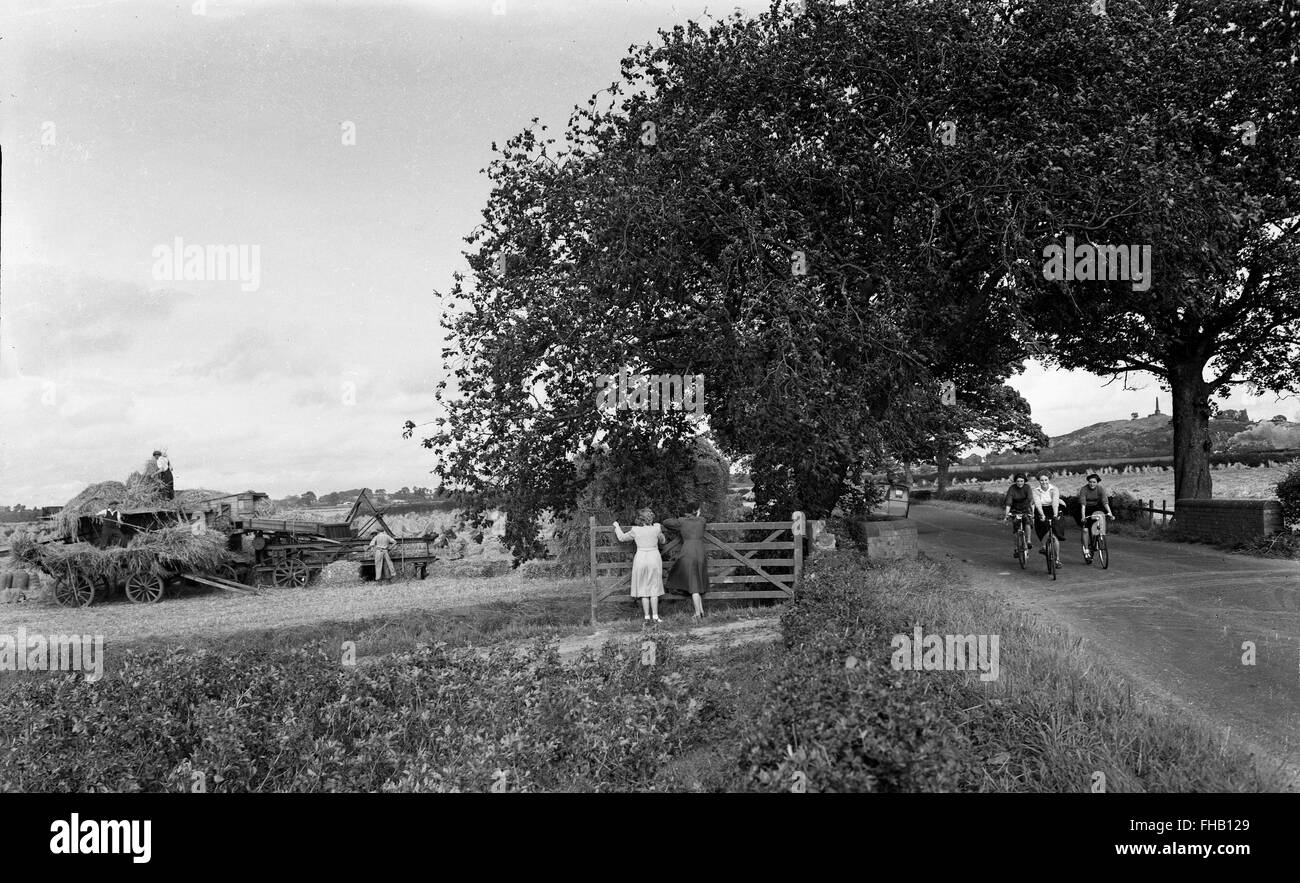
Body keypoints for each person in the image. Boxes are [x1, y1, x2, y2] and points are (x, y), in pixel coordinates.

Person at [612, 508, 666, 626]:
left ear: (639, 519)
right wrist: (659, 530)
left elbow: (622, 538)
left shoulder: (635, 530)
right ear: (650, 518)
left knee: (644, 589)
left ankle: (647, 617)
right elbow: (663, 541)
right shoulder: (656, 528)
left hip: (641, 557)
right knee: (654, 588)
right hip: (653, 557)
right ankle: (656, 616)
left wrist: (617, 526)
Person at [663, 500, 709, 620]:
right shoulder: (702, 521)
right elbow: (699, 521)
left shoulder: (682, 521)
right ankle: (701, 611)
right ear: (696, 511)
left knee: (693, 584)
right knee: (697, 581)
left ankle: (698, 613)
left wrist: (681, 518)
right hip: (700, 551)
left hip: (688, 552)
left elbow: (666, 522)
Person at [1002, 473, 1043, 557]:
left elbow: (1031, 500)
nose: (1020, 483)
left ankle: (1028, 541)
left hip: (1026, 507)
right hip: (1015, 508)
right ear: (1015, 481)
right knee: (1016, 528)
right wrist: (1006, 515)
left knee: (1027, 521)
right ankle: (1016, 549)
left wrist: (1032, 513)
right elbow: (1008, 503)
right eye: (1018, 481)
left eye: (1021, 481)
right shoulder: (1012, 488)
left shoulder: (1027, 487)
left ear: (1024, 481)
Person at [1077, 473, 1114, 563]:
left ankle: (1099, 535)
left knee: (1100, 519)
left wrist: (1110, 514)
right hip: (1084, 509)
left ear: (1097, 482)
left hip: (1095, 508)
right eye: (1090, 482)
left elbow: (1105, 502)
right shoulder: (1084, 489)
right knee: (1085, 530)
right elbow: (1083, 505)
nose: (1092, 484)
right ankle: (1086, 550)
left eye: (1094, 482)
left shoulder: (1101, 489)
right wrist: (1083, 517)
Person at [1031, 471, 1065, 568]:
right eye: (1042, 480)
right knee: (1042, 528)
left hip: (1053, 509)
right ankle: (1044, 546)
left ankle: (1057, 560)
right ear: (1039, 481)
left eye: (1046, 480)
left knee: (1055, 536)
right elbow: (1037, 503)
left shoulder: (1054, 489)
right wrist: (1042, 515)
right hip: (1041, 509)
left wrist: (1055, 514)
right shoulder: (1036, 490)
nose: (1044, 482)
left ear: (1049, 480)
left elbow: (1055, 502)